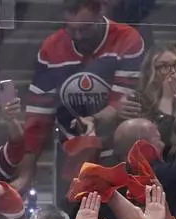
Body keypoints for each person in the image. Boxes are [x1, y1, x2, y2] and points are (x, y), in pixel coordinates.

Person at [14, 0, 145, 192]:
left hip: (117, 153)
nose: (78, 36)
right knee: (70, 208)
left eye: (84, 29)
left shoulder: (127, 39)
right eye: (71, 29)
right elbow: (37, 119)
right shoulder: (51, 48)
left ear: (101, 12)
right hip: (71, 153)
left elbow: (120, 106)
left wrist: (94, 119)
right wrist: (26, 174)